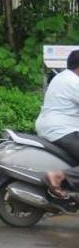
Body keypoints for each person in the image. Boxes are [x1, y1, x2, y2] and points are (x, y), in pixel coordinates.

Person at [38, 49, 79, 198]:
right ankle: (58, 176)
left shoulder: (61, 77)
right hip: (63, 130)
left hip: (52, 127)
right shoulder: (74, 82)